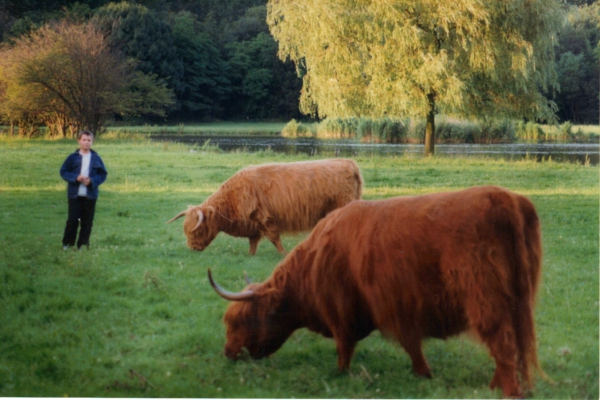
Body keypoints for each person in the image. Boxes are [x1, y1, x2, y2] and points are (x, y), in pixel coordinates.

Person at [60, 130, 108, 250]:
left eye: (89, 140)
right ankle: (67, 244)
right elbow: (63, 171)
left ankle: (82, 244)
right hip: (74, 195)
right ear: (79, 141)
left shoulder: (96, 158)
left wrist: (91, 181)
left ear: (92, 142)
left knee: (87, 221)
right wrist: (75, 178)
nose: (86, 143)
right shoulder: (72, 157)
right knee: (72, 220)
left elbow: (102, 174)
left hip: (90, 195)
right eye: (84, 140)